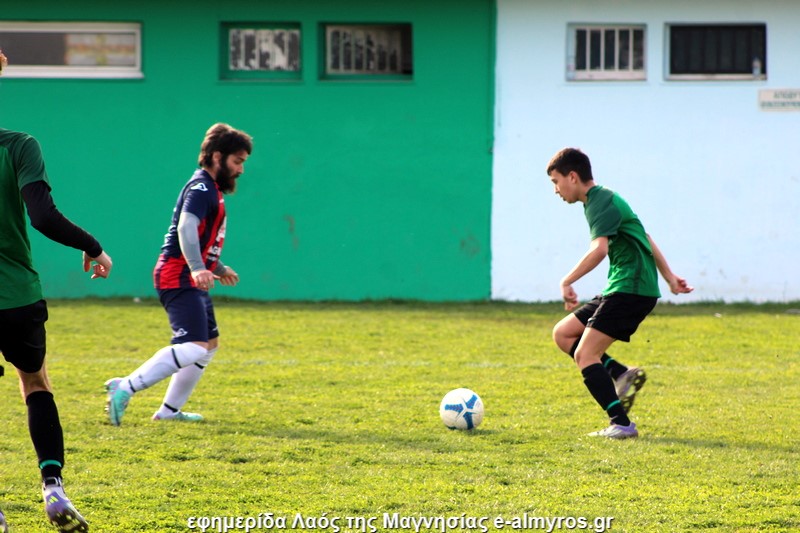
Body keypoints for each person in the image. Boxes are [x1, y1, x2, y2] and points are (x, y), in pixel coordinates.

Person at [0, 51, 112, 532]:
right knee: (35, 383)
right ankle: (53, 489)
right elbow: (43, 217)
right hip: (16, 296)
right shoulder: (19, 145)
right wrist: (92, 246)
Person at [104, 123, 252, 426]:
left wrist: (217, 267)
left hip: (189, 274)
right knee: (193, 346)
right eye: (237, 161)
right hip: (178, 273)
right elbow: (186, 227)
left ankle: (169, 411)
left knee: (208, 345)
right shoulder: (201, 188)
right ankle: (125, 387)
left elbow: (201, 236)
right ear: (217, 156)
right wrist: (197, 267)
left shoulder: (211, 189)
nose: (240, 169)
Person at [546, 147, 692, 439]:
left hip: (630, 290)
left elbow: (599, 250)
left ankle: (621, 424)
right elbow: (644, 235)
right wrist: (669, 277)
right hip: (622, 286)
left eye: (555, 181)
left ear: (572, 177)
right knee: (563, 334)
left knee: (586, 354)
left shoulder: (600, 201)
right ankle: (620, 373)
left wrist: (567, 280)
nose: (556, 190)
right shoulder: (600, 200)